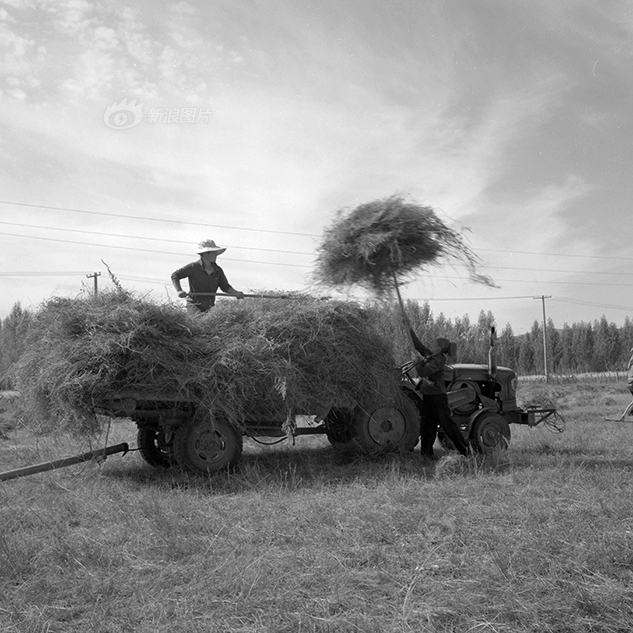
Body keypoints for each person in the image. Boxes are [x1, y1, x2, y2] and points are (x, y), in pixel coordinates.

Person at [409, 329, 471, 460]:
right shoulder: (430, 355)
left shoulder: (439, 360)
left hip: (438, 397)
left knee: (447, 425)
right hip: (428, 395)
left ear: (439, 348)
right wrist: (409, 329)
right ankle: (426, 454)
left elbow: (424, 372)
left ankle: (465, 451)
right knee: (427, 426)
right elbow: (418, 345)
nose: (430, 344)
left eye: (433, 344)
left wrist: (417, 363)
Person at [171, 239, 244, 314]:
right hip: (194, 305)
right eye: (214, 253)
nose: (216, 255)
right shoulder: (193, 267)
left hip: (209, 307)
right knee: (199, 321)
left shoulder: (218, 270)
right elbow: (175, 275)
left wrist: (236, 293)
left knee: (211, 323)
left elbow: (225, 286)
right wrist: (179, 290)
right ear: (206, 254)